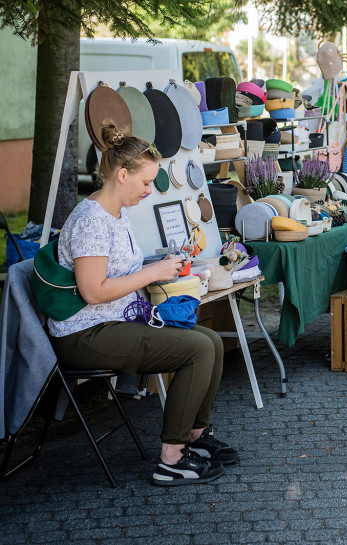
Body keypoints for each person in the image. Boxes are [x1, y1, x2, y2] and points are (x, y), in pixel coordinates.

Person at [49, 122, 238, 486]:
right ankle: (171, 459)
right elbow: (93, 292)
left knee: (211, 341)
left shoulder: (116, 215)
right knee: (198, 348)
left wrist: (165, 268)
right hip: (85, 334)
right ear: (122, 175)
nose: (150, 191)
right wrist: (153, 273)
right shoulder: (91, 221)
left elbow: (121, 274)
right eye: (146, 182)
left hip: (113, 323)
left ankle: (196, 439)